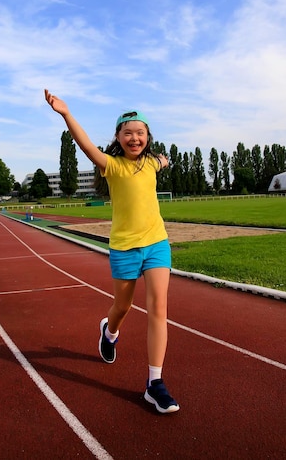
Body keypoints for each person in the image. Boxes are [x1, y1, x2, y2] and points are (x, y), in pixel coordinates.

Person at [44, 89, 179, 414]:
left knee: (159, 308)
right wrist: (66, 114)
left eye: (141, 133)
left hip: (157, 244)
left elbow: (161, 161)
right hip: (124, 249)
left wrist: (164, 160)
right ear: (118, 138)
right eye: (128, 133)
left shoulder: (150, 163)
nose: (135, 138)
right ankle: (110, 329)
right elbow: (87, 146)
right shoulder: (111, 165)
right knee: (123, 305)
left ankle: (154, 383)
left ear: (148, 137)